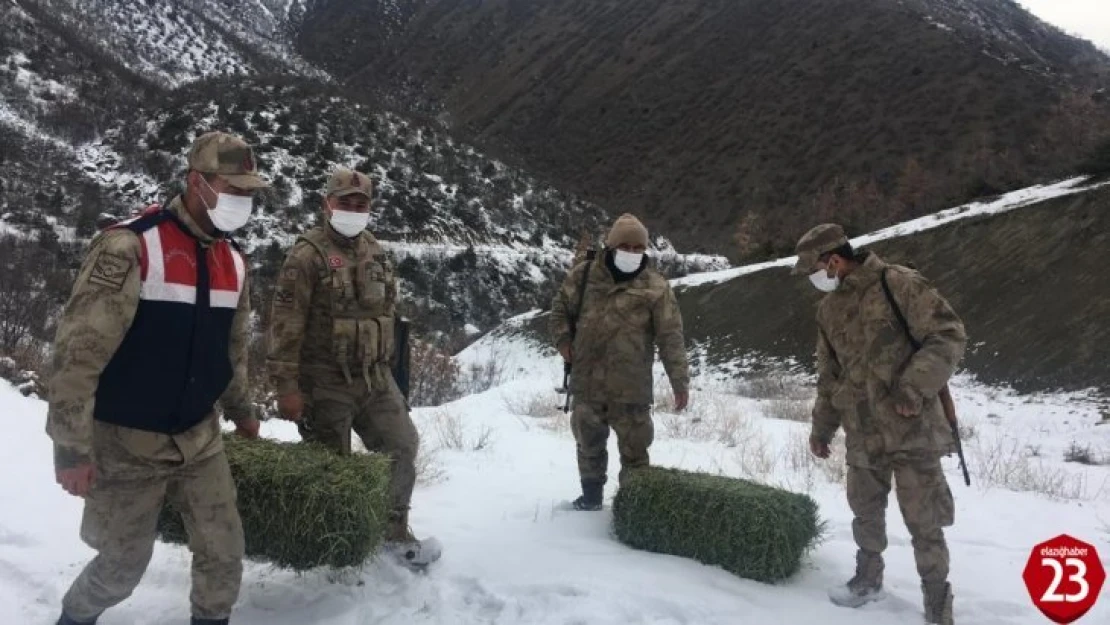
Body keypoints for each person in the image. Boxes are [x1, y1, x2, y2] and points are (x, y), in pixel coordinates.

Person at [46, 131, 266, 625]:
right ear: (196, 182)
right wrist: (71, 449)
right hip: (126, 441)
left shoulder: (232, 261)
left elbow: (230, 349)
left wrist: (243, 411)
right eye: (232, 188)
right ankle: (73, 618)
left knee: (224, 553)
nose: (242, 201)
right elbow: (77, 354)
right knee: (122, 565)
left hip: (199, 438)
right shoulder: (131, 246)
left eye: (249, 192)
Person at [793, 223, 966, 625]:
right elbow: (829, 376)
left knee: (925, 522)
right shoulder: (828, 309)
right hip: (862, 432)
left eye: (813, 270)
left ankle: (937, 605)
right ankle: (867, 580)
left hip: (912, 429)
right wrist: (822, 429)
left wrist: (913, 387)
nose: (813, 280)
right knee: (865, 513)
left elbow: (948, 335)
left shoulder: (898, 283)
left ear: (833, 260)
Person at [265, 166, 436, 567]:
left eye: (361, 204)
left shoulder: (374, 248)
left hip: (375, 379)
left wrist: (393, 371)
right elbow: (285, 324)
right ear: (328, 203)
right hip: (325, 382)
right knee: (331, 468)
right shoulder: (307, 254)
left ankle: (392, 531)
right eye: (346, 202)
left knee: (401, 445)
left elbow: (388, 311)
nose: (354, 210)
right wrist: (287, 386)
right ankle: (335, 551)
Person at [549, 213, 690, 511]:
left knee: (635, 450)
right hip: (587, 381)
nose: (632, 252)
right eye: (625, 245)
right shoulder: (584, 276)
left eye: (638, 247)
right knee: (588, 444)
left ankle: (632, 506)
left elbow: (671, 337)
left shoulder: (656, 286)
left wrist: (680, 382)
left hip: (631, 388)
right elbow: (560, 309)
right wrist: (564, 342)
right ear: (611, 246)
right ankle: (590, 498)